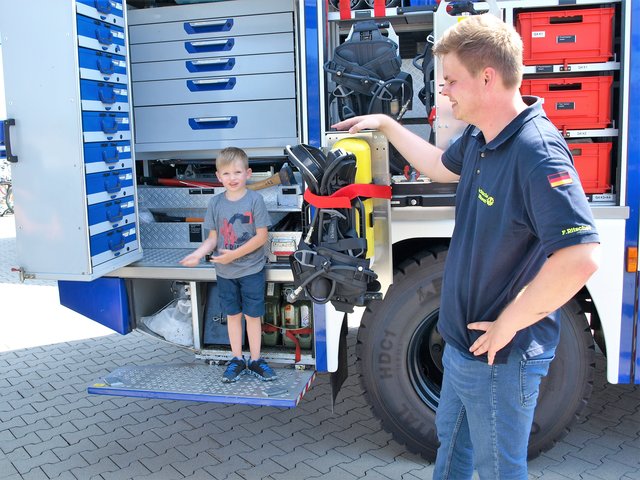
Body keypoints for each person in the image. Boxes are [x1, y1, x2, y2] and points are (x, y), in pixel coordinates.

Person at [332, 14, 600, 480]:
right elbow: (440, 166)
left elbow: (580, 257)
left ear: (487, 78)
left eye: (452, 80)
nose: (444, 90)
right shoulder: (481, 135)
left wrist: (507, 325)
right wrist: (386, 126)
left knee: (499, 470)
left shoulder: (535, 151)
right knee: (451, 454)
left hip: (501, 357)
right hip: (461, 346)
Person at [180, 147, 277, 383]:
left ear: (248, 173)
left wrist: (233, 255)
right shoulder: (215, 203)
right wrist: (198, 254)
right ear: (218, 176)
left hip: (251, 270)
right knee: (233, 315)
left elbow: (262, 237)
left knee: (253, 316)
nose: (232, 178)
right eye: (226, 173)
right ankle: (237, 359)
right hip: (225, 272)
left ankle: (256, 360)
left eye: (237, 172)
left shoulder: (255, 200)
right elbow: (212, 238)